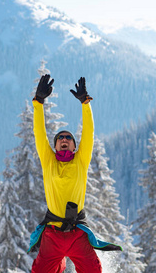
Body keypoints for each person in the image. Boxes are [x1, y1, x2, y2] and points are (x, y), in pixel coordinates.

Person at [28, 75, 121, 273]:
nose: (64, 139)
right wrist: (38, 102)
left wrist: (85, 104)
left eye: (68, 137)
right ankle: (58, 265)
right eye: (60, 137)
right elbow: (39, 132)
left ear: (74, 145)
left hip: (77, 233)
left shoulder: (81, 161)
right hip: (52, 235)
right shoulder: (48, 161)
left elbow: (89, 132)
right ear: (53, 146)